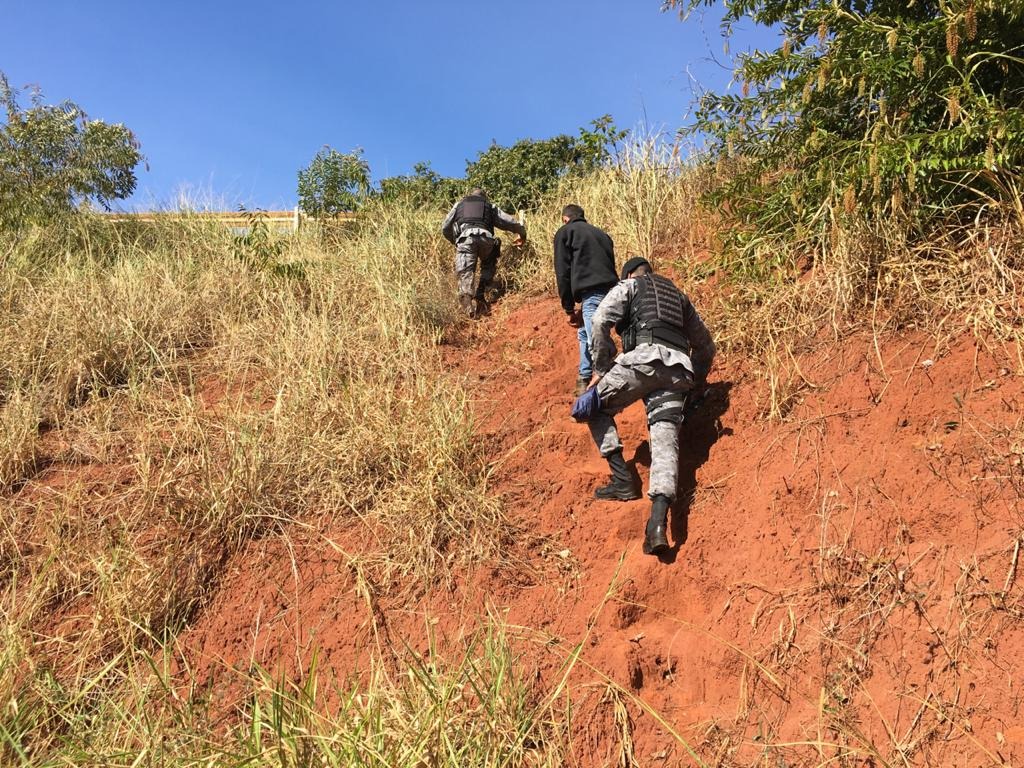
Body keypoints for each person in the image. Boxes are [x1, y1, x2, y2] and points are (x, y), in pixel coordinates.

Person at [571, 257, 716, 556]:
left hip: (641, 362)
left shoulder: (629, 286)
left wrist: (601, 367)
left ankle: (622, 481)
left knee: (593, 407)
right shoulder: (679, 296)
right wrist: (696, 384)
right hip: (678, 371)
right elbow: (706, 346)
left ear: (627, 275)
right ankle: (657, 524)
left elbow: (599, 321)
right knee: (664, 440)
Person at [553, 204, 619, 396]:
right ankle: (584, 377)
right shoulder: (602, 235)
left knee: (595, 342)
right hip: (613, 292)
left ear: (565, 218)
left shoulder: (566, 232)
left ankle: (603, 388)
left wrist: (568, 308)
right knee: (584, 333)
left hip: (592, 293)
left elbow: (562, 271)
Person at [442, 188, 526, 318]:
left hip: (466, 239)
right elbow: (507, 221)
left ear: (470, 195)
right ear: (484, 197)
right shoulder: (489, 206)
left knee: (466, 272)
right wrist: (521, 232)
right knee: (489, 261)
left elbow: (445, 227)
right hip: (486, 239)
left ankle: (468, 305)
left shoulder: (459, 204)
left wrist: (456, 241)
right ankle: (481, 291)